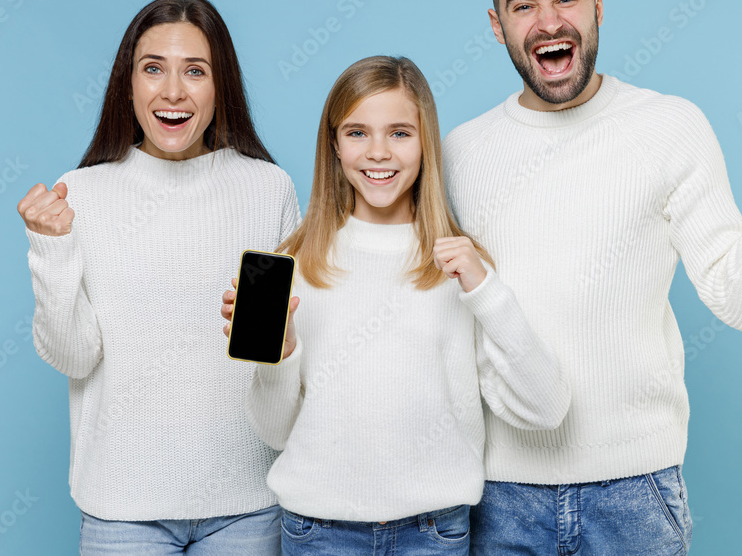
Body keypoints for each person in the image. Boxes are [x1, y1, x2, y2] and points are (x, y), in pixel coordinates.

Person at [442, 0, 742, 555]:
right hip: (500, 497)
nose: (548, 21)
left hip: (634, 496)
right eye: (522, 5)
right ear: (496, 24)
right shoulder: (462, 152)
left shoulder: (668, 127)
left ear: (597, 5)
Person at [222, 55, 569, 555]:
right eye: (358, 132)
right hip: (318, 533)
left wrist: (485, 289)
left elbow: (546, 407)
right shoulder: (287, 265)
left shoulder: (463, 268)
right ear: (334, 145)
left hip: (434, 533)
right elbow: (273, 433)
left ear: (426, 141)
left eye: (400, 133)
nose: (378, 152)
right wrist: (283, 350)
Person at [17, 0, 299, 555]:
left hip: (245, 508)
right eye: (153, 69)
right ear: (128, 84)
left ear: (222, 88)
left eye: (196, 71)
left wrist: (269, 337)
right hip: (121, 509)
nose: (173, 92)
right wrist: (49, 252)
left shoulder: (266, 189)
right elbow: (73, 356)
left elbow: (272, 356)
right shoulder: (83, 194)